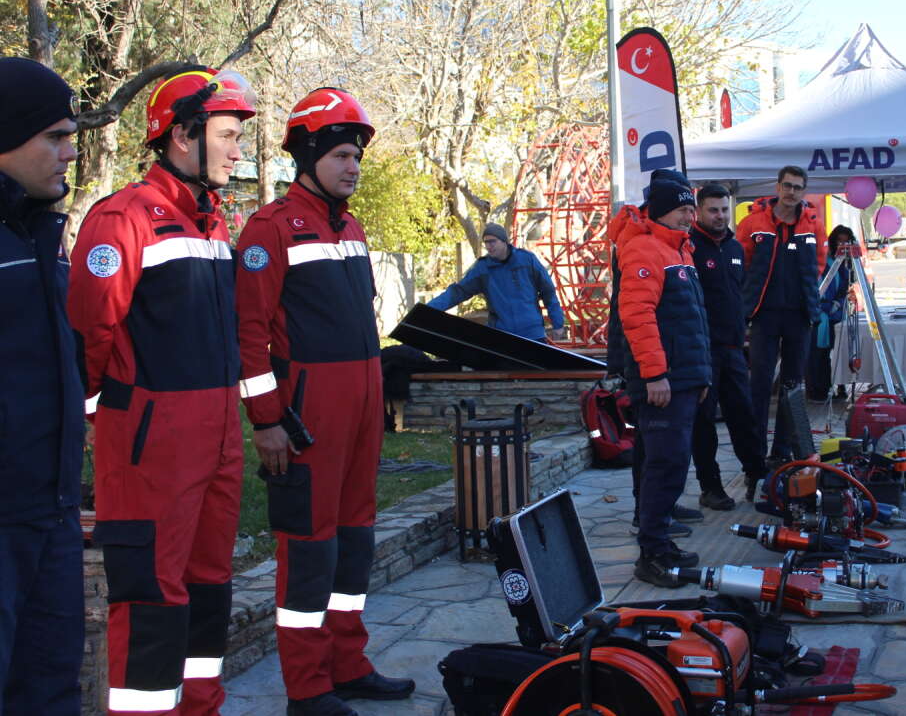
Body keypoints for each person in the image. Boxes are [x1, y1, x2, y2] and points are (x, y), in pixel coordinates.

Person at [69, 67, 256, 714]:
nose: (238, 150)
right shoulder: (123, 219)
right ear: (182, 134)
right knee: (151, 598)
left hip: (218, 443)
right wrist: (107, 422)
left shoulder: (211, 223)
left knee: (208, 590)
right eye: (228, 135)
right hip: (151, 449)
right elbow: (88, 338)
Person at [235, 88, 414, 715]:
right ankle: (306, 688)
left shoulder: (353, 227)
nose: (353, 168)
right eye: (341, 155)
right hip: (307, 419)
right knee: (309, 553)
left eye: (357, 157)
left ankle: (347, 662)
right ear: (308, 155)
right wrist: (267, 421)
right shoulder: (270, 228)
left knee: (355, 543)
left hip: (361, 413)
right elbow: (248, 336)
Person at [0, 58, 84, 715]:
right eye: (54, 136)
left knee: (51, 689)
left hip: (51, 513)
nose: (71, 150)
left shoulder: (42, 231)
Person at [609, 179, 711, 587]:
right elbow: (637, 317)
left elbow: (689, 322)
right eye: (684, 209)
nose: (692, 215)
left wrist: (698, 376)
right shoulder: (644, 249)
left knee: (671, 465)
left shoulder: (678, 249)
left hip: (681, 379)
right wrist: (655, 374)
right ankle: (651, 555)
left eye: (692, 209)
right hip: (661, 383)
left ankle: (661, 543)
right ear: (663, 210)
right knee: (663, 466)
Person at [737, 166, 825, 460]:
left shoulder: (813, 223)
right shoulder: (753, 222)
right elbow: (742, 263)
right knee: (759, 384)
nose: (791, 192)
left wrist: (809, 298)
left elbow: (819, 264)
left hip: (799, 316)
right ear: (777, 187)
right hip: (764, 315)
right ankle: (756, 451)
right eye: (787, 186)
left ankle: (783, 450)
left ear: (804, 191)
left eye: (797, 187)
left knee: (792, 385)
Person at [690, 184, 768, 508]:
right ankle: (711, 487)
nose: (720, 216)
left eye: (724, 209)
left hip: (734, 348)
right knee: (703, 422)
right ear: (698, 211)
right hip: (703, 351)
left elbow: (740, 292)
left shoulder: (736, 247)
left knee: (744, 416)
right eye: (713, 210)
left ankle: (757, 477)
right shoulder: (689, 247)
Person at [428, 223, 566, 342]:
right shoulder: (482, 269)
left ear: (504, 241)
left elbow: (548, 292)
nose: (489, 246)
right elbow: (458, 292)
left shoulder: (527, 260)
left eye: (492, 241)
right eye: (486, 242)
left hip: (533, 334)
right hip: (502, 336)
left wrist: (558, 323)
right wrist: (428, 310)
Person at [806, 225, 853, 400]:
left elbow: (843, 287)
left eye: (846, 241)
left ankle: (840, 387)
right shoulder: (822, 260)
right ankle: (818, 390)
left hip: (836, 315)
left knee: (840, 353)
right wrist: (825, 307)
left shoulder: (845, 263)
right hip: (819, 316)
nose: (842, 244)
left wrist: (838, 303)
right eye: (839, 241)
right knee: (818, 355)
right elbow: (813, 289)